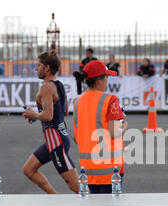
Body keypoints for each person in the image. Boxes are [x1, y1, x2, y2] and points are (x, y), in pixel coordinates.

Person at [22, 51, 79, 196]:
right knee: (28, 170)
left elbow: (48, 116)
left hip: (56, 141)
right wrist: (36, 115)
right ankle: (56, 202)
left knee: (74, 185)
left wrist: (34, 114)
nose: (36, 68)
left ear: (46, 68)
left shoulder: (46, 87)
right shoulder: (59, 85)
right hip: (57, 138)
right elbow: (63, 112)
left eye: (38, 65)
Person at [72, 60, 127, 194]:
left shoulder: (77, 102)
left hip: (88, 170)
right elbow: (114, 133)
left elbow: (77, 137)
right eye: (106, 77)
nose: (107, 81)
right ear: (99, 80)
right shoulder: (110, 99)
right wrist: (124, 127)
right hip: (111, 169)